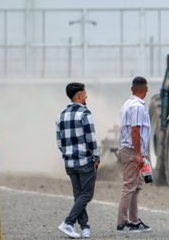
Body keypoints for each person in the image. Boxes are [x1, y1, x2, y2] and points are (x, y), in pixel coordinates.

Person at [56, 82, 100, 239]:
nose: (87, 96)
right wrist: (96, 156)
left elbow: (59, 143)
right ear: (80, 95)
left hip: (69, 162)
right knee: (86, 194)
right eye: (85, 93)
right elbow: (91, 138)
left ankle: (84, 227)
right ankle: (68, 222)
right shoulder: (85, 113)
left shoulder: (60, 115)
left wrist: (68, 154)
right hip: (84, 161)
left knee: (78, 195)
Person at [116, 76, 152, 233]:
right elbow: (135, 130)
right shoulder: (138, 106)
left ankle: (134, 221)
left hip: (128, 149)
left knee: (135, 186)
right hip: (132, 150)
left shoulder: (127, 104)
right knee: (130, 186)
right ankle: (122, 223)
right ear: (146, 90)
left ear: (132, 89)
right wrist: (138, 154)